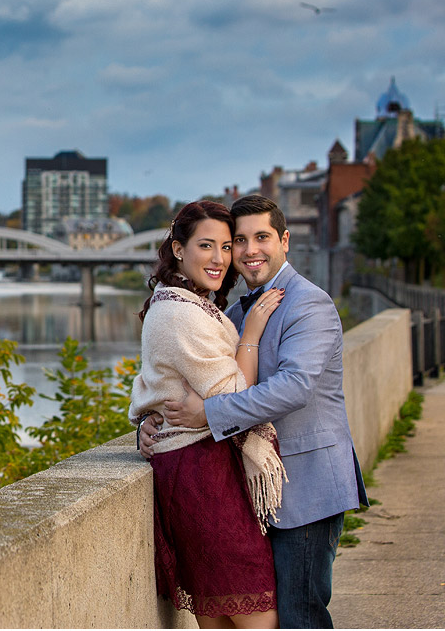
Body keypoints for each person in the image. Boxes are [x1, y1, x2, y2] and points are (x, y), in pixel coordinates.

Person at [140, 194, 368, 629]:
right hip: (252, 491)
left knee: (301, 614)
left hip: (306, 485)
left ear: (284, 240)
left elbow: (294, 387)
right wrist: (152, 425)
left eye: (260, 237)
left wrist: (211, 413)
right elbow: (176, 380)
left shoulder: (308, 303)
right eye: (236, 241)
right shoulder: (236, 311)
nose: (246, 252)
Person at [130, 200, 287, 629]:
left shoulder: (185, 303)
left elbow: (158, 386)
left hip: (188, 471)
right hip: (205, 475)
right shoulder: (183, 313)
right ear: (178, 249)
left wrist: (147, 421)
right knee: (257, 614)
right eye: (206, 246)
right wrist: (251, 333)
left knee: (218, 613)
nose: (219, 258)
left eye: (225, 245)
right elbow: (236, 395)